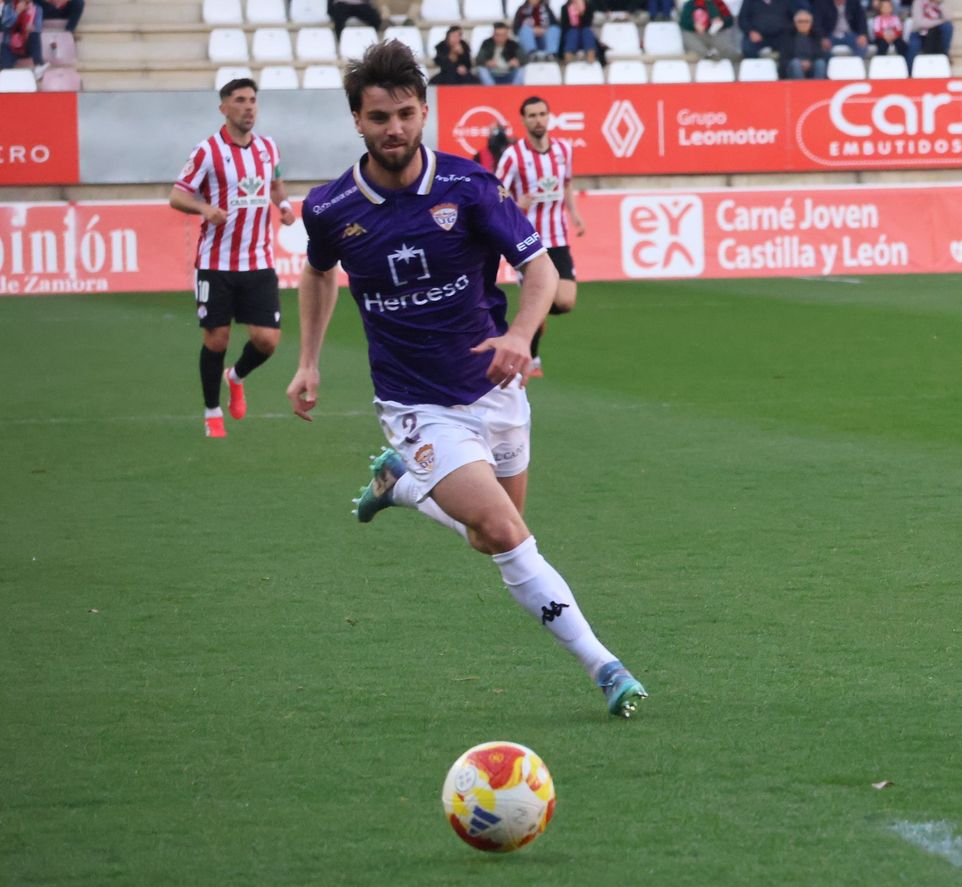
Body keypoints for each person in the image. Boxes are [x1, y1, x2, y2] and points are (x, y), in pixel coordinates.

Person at [287, 41, 648, 718]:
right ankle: (606, 666)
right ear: (356, 122)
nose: (392, 128)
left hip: (495, 388)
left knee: (494, 534)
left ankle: (399, 487)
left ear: (423, 112)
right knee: (508, 537)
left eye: (403, 113)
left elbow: (540, 269)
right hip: (415, 402)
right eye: (377, 116)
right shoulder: (331, 208)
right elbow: (316, 270)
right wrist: (307, 360)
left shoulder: (469, 188)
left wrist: (518, 335)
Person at [169, 78, 295, 439]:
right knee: (217, 340)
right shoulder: (206, 151)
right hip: (216, 264)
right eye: (240, 100)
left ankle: (235, 376)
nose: (249, 107)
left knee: (267, 341)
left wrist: (284, 206)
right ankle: (212, 411)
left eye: (253, 100)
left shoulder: (269, 147)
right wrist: (204, 208)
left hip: (258, 262)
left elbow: (275, 184)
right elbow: (177, 196)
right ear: (224, 107)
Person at [495, 96, 585, 379]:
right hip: (527, 240)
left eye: (542, 114)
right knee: (538, 297)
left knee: (566, 301)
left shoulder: (563, 150)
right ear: (523, 120)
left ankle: (537, 313)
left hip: (558, 236)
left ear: (549, 117)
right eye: (532, 115)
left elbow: (567, 184)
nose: (538, 120)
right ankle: (531, 359)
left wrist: (576, 215)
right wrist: (516, 203)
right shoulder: (513, 156)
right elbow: (494, 192)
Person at [779, 6, 829, 78]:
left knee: (820, 63)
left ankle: (818, 88)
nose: (803, 24)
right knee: (795, 63)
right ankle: (799, 89)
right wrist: (800, 63)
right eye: (800, 21)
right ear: (795, 23)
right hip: (793, 67)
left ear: (811, 23)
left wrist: (809, 62)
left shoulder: (816, 35)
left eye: (806, 21)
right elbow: (784, 58)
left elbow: (820, 54)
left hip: (811, 65)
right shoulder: (787, 36)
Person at [1, 0, 42, 72]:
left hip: (26, 43)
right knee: (5, 67)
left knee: (35, 35)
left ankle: (38, 65)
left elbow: (37, 28)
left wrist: (31, 28)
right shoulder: (9, 7)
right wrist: (17, 12)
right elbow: (5, 26)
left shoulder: (37, 9)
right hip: (10, 44)